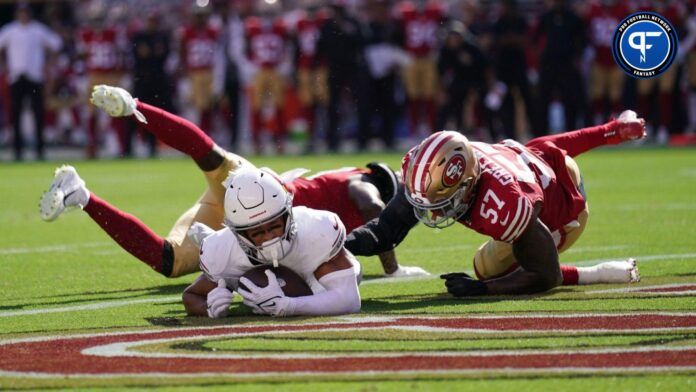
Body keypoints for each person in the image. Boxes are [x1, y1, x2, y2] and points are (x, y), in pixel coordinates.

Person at [39, 85, 424, 279]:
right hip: (262, 198)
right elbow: (374, 208)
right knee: (212, 158)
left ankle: (82, 195)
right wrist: (392, 269)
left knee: (169, 260)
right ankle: (136, 107)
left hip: (255, 220)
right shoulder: (363, 182)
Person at [345, 110, 646, 297]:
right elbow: (385, 229)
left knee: (487, 269)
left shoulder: (507, 204)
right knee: (540, 150)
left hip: (563, 213)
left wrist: (484, 289)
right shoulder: (439, 172)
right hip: (537, 162)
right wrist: (341, 243)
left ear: (468, 184)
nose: (431, 211)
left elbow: (545, 275)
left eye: (440, 202)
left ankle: (594, 273)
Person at [182, 166, 362, 318]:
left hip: (317, 279)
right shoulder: (225, 251)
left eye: (274, 226)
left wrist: (289, 305)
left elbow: (348, 299)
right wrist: (209, 309)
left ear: (288, 215)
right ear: (240, 233)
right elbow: (191, 296)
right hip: (252, 271)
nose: (269, 238)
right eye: (258, 232)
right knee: (243, 274)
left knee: (324, 290)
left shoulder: (317, 231)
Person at [0, 3, 61, 161]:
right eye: (21, 12)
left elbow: (56, 44)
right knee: (15, 114)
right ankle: (18, 151)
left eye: (25, 12)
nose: (23, 16)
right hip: (16, 76)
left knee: (38, 114)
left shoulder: (38, 30)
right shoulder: (10, 30)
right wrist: (5, 65)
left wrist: (49, 64)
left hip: (34, 77)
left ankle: (39, 150)